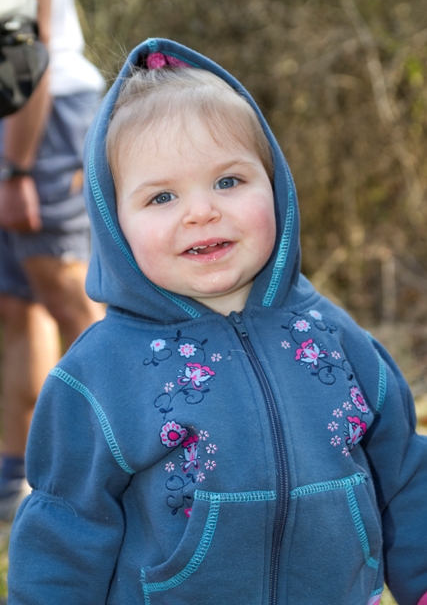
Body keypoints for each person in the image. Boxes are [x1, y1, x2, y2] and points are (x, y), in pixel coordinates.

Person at [7, 38, 427, 605]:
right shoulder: (100, 375)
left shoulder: (337, 338)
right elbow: (65, 526)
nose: (201, 211)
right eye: (161, 197)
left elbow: (403, 479)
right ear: (113, 225)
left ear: (275, 187)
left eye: (228, 182)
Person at [0, 0, 104, 521]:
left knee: (70, 295)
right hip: (12, 115)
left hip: (43, 112)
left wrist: (16, 170)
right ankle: (20, 481)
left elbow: (28, 49)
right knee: (19, 305)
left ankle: (129, 465)